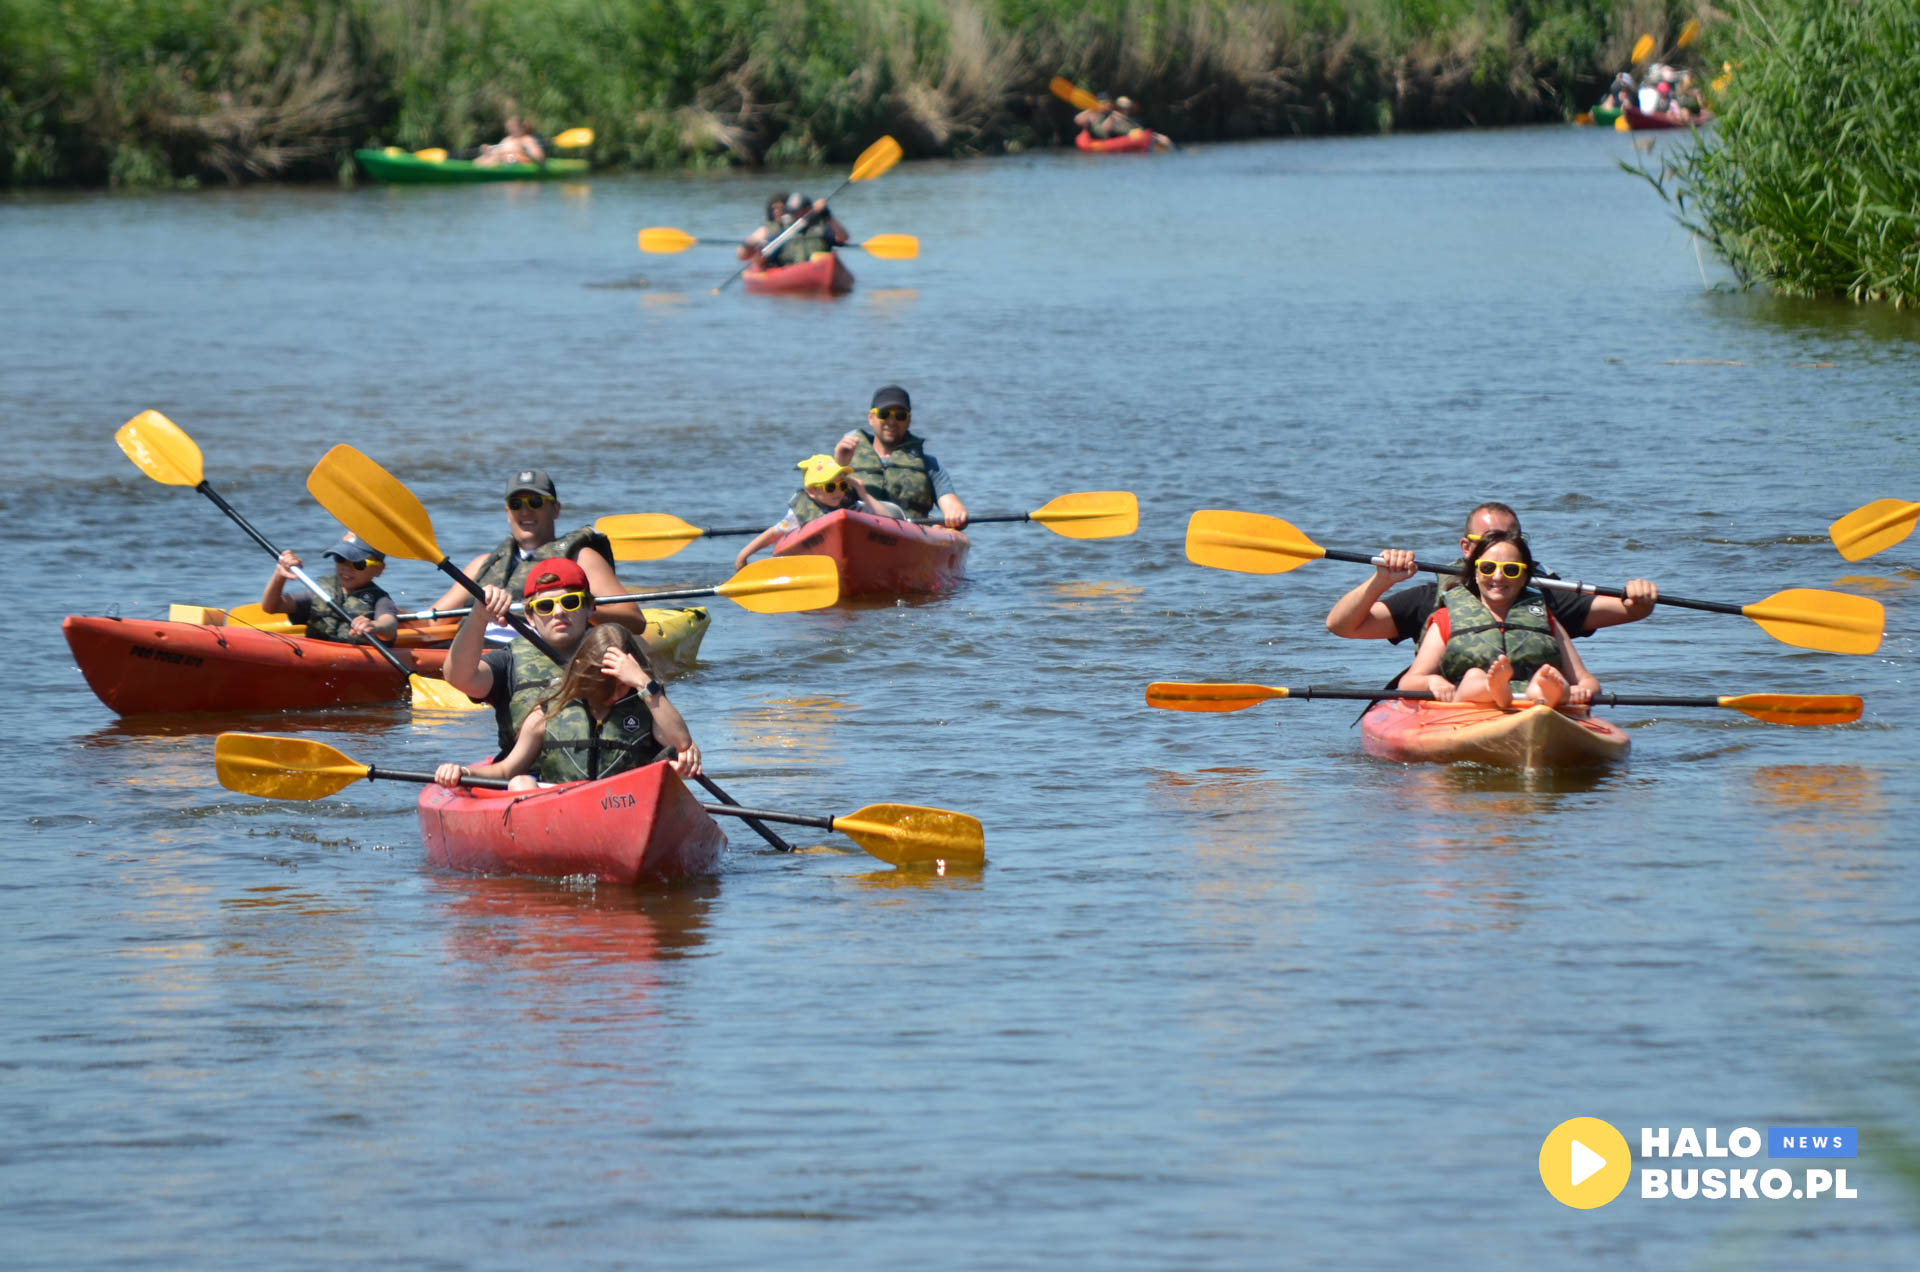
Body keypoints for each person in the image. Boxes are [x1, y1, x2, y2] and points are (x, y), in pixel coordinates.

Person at [1324, 502, 1658, 645]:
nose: (1499, 552)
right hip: (1452, 707)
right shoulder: (1429, 600)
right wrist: (1380, 581)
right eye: (1488, 542)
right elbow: (1342, 626)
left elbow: (1633, 610)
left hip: (1531, 700)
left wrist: (1640, 595)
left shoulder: (1548, 598)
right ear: (1466, 549)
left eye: (1509, 541)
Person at [441, 557, 661, 760]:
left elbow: (662, 726)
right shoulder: (509, 661)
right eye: (545, 606)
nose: (558, 612)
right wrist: (478, 618)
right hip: (530, 781)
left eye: (570, 602)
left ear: (590, 607)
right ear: (530, 616)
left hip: (615, 777)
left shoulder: (619, 655)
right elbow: (459, 677)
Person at [435, 622, 699, 791]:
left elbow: (682, 742)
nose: (611, 697)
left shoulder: (649, 706)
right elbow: (506, 769)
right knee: (520, 783)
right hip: (561, 805)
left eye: (622, 686)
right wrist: (465, 773)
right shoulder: (549, 710)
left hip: (627, 803)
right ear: (582, 679)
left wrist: (643, 682)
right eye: (602, 689)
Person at [425, 469, 645, 641]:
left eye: (536, 502)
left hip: (541, 652)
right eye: (517, 504)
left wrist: (575, 607)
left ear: (556, 509)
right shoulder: (483, 564)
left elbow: (634, 620)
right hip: (480, 654)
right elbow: (433, 621)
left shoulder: (581, 558)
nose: (525, 511)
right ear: (507, 513)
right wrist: (391, 613)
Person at [1397, 529, 1600, 709]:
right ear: (1475, 573)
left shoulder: (1544, 616)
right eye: (1487, 568)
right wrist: (1432, 681)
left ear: (1524, 577)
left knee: (1544, 677)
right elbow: (1409, 682)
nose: (1498, 577)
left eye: (1511, 570)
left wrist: (1581, 690)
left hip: (1534, 702)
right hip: (1470, 703)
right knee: (1474, 675)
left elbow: (1588, 681)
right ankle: (1492, 688)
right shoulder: (1446, 618)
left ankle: (1553, 692)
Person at [733, 454, 906, 570]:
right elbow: (774, 533)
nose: (838, 492)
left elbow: (889, 519)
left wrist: (862, 492)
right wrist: (744, 555)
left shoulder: (853, 507)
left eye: (842, 485)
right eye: (830, 487)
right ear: (811, 490)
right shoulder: (799, 515)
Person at [833, 385, 968, 529]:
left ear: (909, 420)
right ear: (871, 418)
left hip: (910, 536)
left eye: (900, 416)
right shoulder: (846, 457)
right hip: (857, 529)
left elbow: (951, 505)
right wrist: (839, 464)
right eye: (884, 414)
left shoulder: (929, 465)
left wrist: (955, 514)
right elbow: (824, 501)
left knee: (945, 529)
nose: (892, 422)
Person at [259, 534, 398, 645]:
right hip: (315, 654)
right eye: (340, 559)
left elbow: (389, 626)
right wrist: (279, 576)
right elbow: (271, 606)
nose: (346, 568)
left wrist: (375, 626)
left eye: (358, 563)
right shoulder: (320, 591)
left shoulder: (380, 599)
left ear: (379, 569)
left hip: (353, 660)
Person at [738, 191, 848, 269]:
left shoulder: (822, 226)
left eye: (797, 211)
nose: (794, 215)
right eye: (791, 211)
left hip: (819, 267)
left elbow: (843, 238)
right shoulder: (783, 231)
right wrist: (756, 253)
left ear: (808, 209)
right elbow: (761, 257)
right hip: (791, 269)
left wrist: (828, 216)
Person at [474, 116, 545, 167]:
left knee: (497, 158)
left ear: (521, 127)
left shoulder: (527, 140)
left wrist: (527, 151)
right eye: (509, 127)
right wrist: (488, 150)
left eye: (512, 127)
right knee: (481, 159)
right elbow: (496, 152)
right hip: (502, 164)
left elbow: (540, 157)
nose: (510, 130)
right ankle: (474, 170)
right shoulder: (506, 139)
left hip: (516, 166)